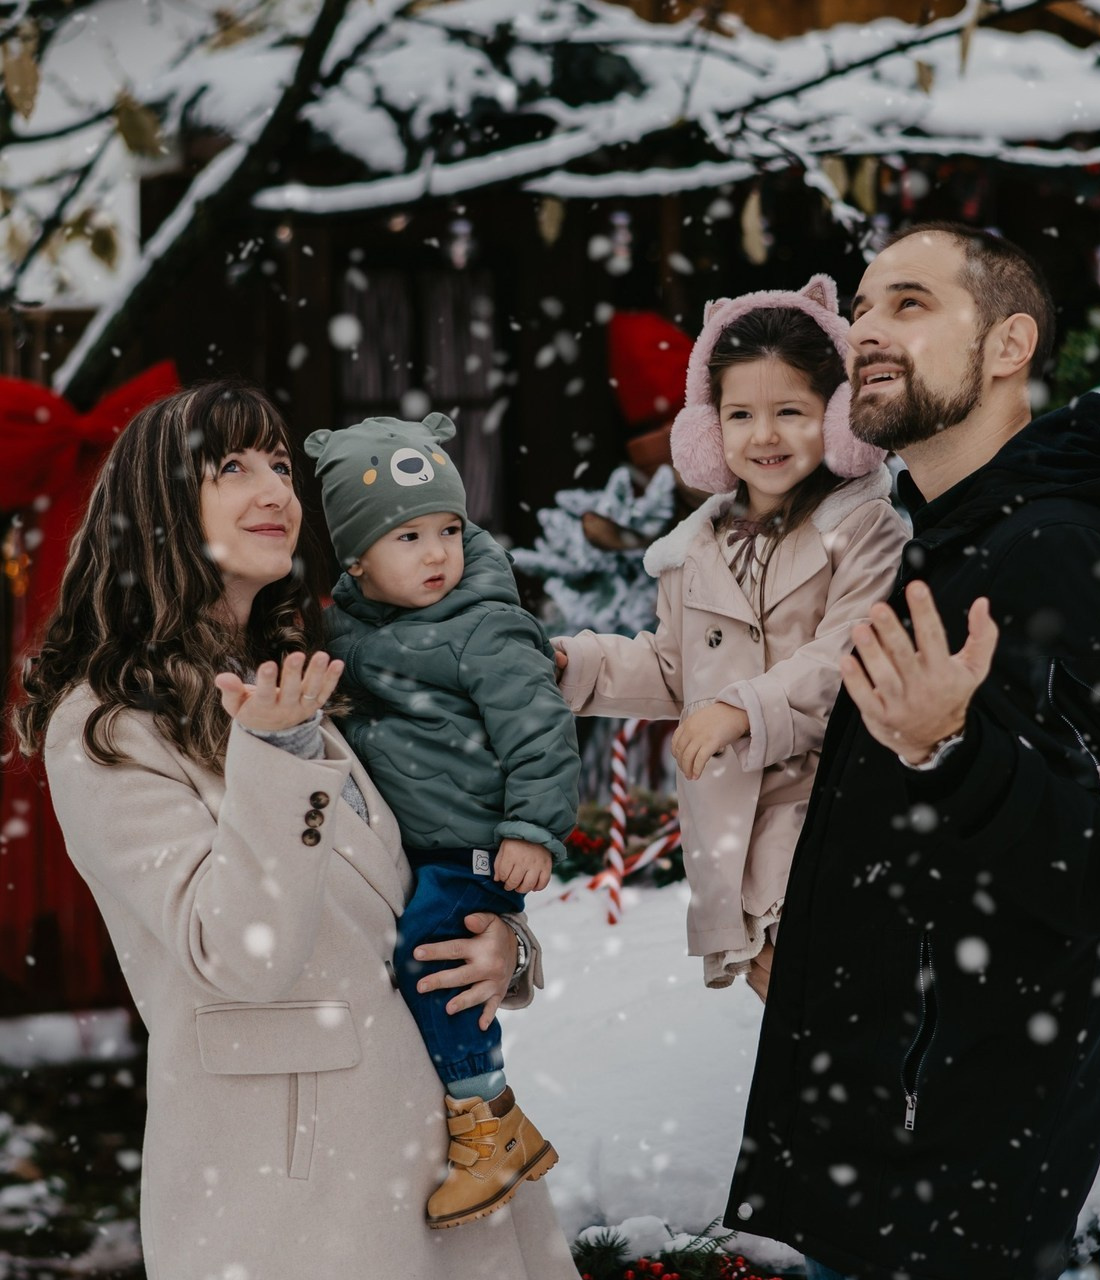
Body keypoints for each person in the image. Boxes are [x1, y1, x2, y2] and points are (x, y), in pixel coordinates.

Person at [724, 224, 1100, 1280]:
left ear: (1006, 346)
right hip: (889, 1166)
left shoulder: (1065, 554)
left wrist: (946, 747)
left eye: (908, 303)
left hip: (944, 1193)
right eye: (858, 308)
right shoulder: (946, 541)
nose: (864, 331)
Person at [12, 382, 578, 1280]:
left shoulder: (299, 678)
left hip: (437, 1157)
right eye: (231, 466)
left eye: (279, 463)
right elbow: (242, 952)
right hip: (293, 1201)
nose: (275, 488)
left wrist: (505, 945)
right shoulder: (110, 723)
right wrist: (274, 750)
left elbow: (388, 894)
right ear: (156, 509)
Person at [555, 275, 907, 991]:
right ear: (710, 429)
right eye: (740, 415)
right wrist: (572, 664)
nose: (764, 436)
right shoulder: (698, 548)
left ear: (839, 416)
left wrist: (743, 708)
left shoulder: (864, 527)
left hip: (829, 821)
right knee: (797, 1035)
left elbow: (846, 655)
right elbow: (674, 669)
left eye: (791, 411)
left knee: (835, 1023)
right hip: (735, 837)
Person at [303, 412, 578, 1229]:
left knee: (436, 955)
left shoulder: (481, 624)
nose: (436, 554)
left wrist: (530, 830)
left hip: (474, 842)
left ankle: (484, 1116)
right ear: (356, 560)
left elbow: (540, 727)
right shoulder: (350, 623)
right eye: (408, 538)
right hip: (421, 839)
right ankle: (508, 1128)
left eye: (448, 531)